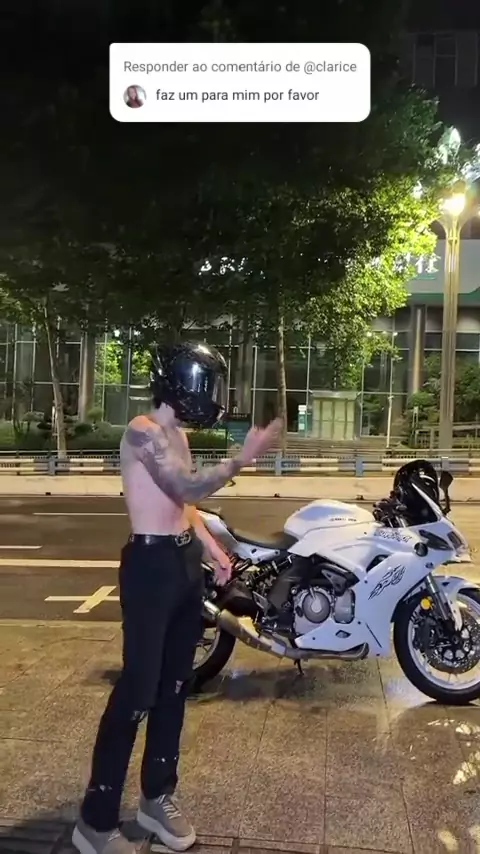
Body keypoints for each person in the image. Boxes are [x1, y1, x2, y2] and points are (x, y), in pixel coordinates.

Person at [72, 341, 281, 854]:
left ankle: (156, 797)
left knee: (174, 686)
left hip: (184, 563)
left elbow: (181, 506)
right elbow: (185, 488)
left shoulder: (178, 435)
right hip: (150, 568)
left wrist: (210, 547)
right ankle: (95, 821)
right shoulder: (142, 431)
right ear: (182, 382)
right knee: (137, 690)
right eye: (206, 384)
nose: (212, 395)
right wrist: (242, 458)